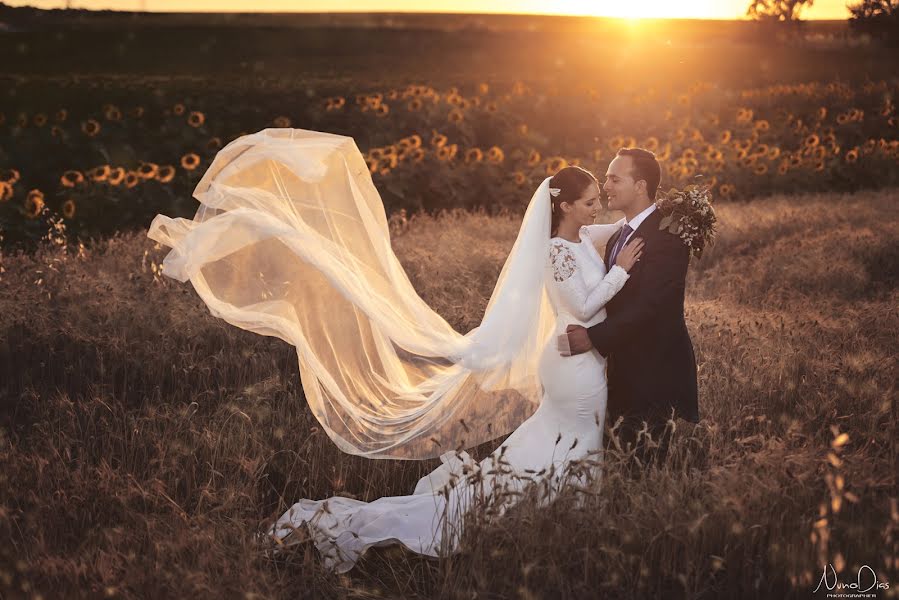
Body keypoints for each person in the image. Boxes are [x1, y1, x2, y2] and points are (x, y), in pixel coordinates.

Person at [146, 129, 642, 573]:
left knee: (563, 440)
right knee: (575, 436)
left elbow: (624, 226)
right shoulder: (557, 250)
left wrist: (659, 217)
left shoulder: (580, 239)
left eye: (601, 198)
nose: (599, 206)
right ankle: (546, 518)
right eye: (592, 200)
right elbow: (581, 304)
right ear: (567, 205)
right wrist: (621, 270)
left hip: (583, 361)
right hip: (572, 365)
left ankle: (554, 518)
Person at [562, 148, 700, 473]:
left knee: (644, 472)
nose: (605, 185)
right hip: (622, 371)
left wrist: (592, 338)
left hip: (654, 374)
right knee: (620, 466)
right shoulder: (619, 234)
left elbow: (651, 306)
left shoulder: (668, 236)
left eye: (614, 178)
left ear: (640, 186)